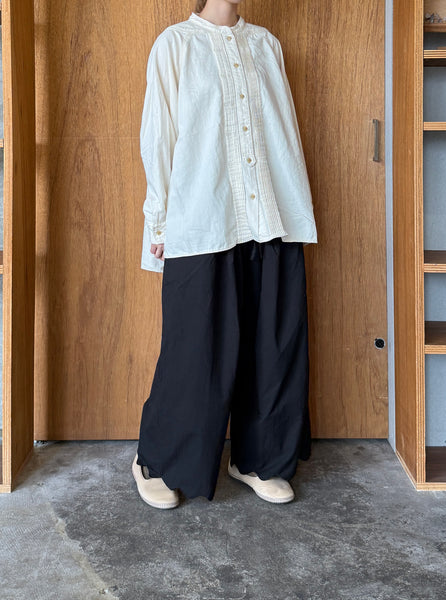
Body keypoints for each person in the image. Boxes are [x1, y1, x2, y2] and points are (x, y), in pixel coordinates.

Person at [132, 0, 318, 509]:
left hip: (271, 214)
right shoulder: (175, 45)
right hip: (202, 217)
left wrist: (293, 207)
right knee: (196, 349)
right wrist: (160, 220)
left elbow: (283, 134)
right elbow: (159, 136)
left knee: (273, 345)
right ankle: (159, 459)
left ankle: (259, 458)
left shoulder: (266, 45)